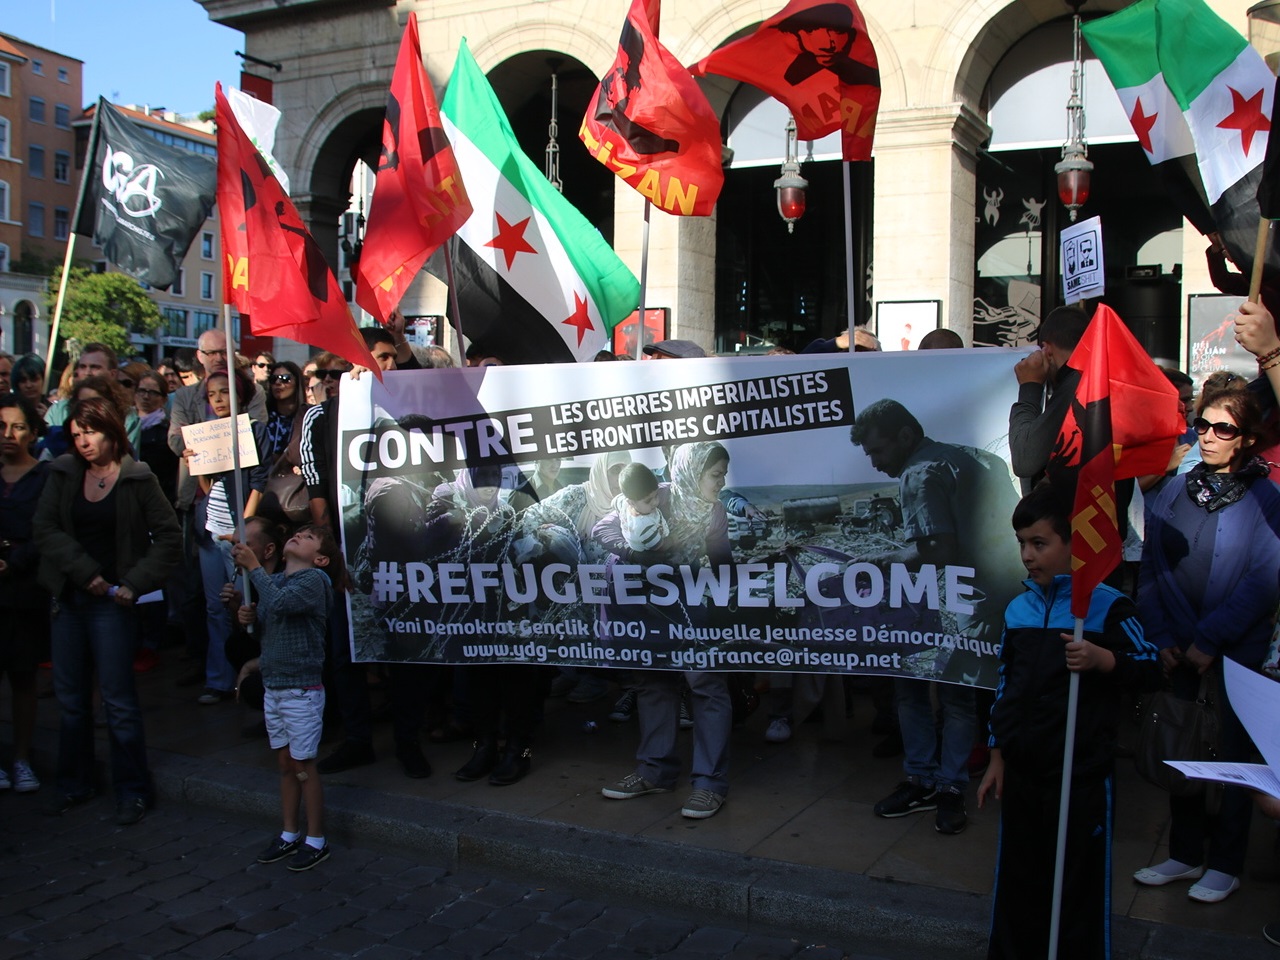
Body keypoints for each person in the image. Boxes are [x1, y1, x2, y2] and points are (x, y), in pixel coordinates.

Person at [978, 482, 1159, 960]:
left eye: (1040, 543)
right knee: (1019, 876)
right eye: (1022, 543)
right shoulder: (1018, 608)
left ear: (1074, 543)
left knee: (1077, 881)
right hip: (1023, 770)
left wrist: (1104, 660)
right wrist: (997, 754)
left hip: (1079, 774)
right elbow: (1005, 686)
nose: (1028, 555)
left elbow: (1151, 665)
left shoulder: (1107, 608)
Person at [1133, 372, 1280, 903]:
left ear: (1247, 438)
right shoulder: (1175, 489)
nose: (1210, 435)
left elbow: (1264, 581)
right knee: (1183, 743)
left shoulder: (1267, 498)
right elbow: (1150, 568)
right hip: (1177, 647)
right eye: (1203, 424)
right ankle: (1185, 852)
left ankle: (1226, 862)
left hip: (1234, 652)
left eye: (1224, 428)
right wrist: (1164, 636)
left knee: (1234, 757)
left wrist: (1209, 640)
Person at [849, 398, 1022, 834]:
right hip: (990, 597)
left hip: (958, 600)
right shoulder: (971, 457)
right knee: (958, 695)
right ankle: (945, 784)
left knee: (919, 689)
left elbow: (935, 550)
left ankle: (930, 781)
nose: (875, 462)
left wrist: (882, 559)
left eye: (878, 451)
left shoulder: (918, 474)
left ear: (905, 436)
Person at [33, 397, 181, 825]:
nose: (82, 442)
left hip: (113, 603)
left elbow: (169, 538)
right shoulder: (63, 473)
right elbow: (45, 529)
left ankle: (132, 789)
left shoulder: (137, 477)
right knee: (72, 700)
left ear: (111, 431)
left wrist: (134, 584)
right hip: (71, 598)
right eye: (76, 435)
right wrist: (85, 574)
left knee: (118, 699)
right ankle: (74, 782)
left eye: (90, 433)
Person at [597, 441, 735, 819]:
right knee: (652, 683)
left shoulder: (714, 512)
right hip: (643, 608)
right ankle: (655, 771)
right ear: (693, 470)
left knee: (706, 685)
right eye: (716, 474)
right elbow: (604, 527)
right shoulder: (656, 496)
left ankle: (709, 783)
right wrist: (637, 555)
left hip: (687, 611)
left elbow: (723, 563)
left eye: (723, 474)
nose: (721, 482)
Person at [230, 524, 339, 872]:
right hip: (275, 687)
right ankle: (289, 832)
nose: (298, 537)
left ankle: (316, 838)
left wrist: (255, 570)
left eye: (308, 538)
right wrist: (243, 611)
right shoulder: (275, 581)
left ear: (320, 559)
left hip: (301, 690)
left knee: (304, 765)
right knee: (285, 763)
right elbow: (266, 615)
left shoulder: (314, 582)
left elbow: (280, 602)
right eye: (298, 534)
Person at [189, 368, 271, 705]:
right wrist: (196, 465)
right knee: (215, 607)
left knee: (244, 606)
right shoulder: (207, 434)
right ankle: (218, 680)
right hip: (212, 530)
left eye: (225, 392)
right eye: (212, 395)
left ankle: (248, 678)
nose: (219, 399)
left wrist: (245, 524)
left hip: (238, 530)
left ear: (241, 394)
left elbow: (259, 480)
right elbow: (210, 489)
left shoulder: (254, 430)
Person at [0, 393, 49, 793]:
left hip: (24, 589)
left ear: (32, 432)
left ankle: (21, 757)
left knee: (22, 677)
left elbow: (46, 531)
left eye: (18, 427)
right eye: (2, 426)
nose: (8, 435)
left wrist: (14, 561)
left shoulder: (44, 477)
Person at [613, 461, 669, 551]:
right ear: (631, 502)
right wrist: (673, 540)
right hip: (650, 547)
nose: (655, 502)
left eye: (656, 495)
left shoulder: (623, 502)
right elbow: (659, 546)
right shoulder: (644, 526)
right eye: (648, 501)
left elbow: (615, 502)